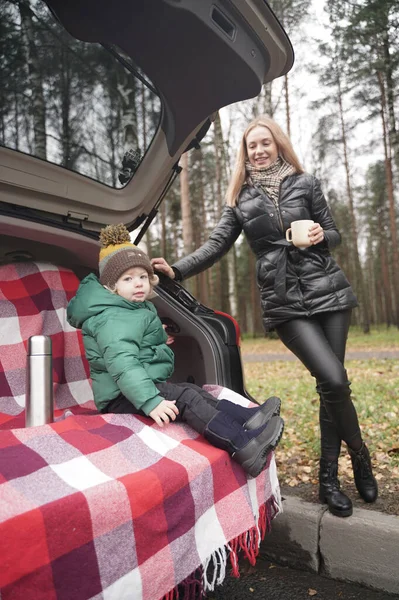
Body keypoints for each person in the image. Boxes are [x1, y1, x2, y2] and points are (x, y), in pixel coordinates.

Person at [151, 115, 378, 518]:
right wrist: (178, 269)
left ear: (278, 145)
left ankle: (329, 478)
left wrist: (322, 235)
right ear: (245, 152)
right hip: (284, 300)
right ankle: (360, 453)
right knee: (334, 378)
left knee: (331, 387)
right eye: (251, 145)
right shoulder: (241, 198)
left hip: (330, 293)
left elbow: (335, 232)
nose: (258, 150)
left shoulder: (305, 183)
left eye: (264, 143)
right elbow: (217, 244)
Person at [66, 224, 284, 479]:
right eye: (128, 278)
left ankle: (249, 418)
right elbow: (123, 364)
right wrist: (150, 401)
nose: (138, 283)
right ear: (111, 286)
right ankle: (243, 446)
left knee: (192, 391)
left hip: (138, 386)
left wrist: (157, 338)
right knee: (188, 398)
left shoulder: (128, 308)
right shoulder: (111, 317)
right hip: (121, 397)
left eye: (142, 277)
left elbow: (135, 342)